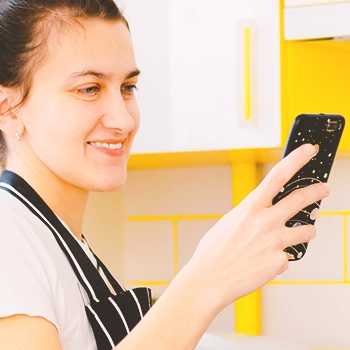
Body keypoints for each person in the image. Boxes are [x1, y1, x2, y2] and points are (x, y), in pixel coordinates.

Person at [0, 0, 329, 349]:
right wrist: (207, 279)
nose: (123, 120)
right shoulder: (8, 237)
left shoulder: (52, 240)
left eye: (127, 88)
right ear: (9, 111)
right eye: (89, 89)